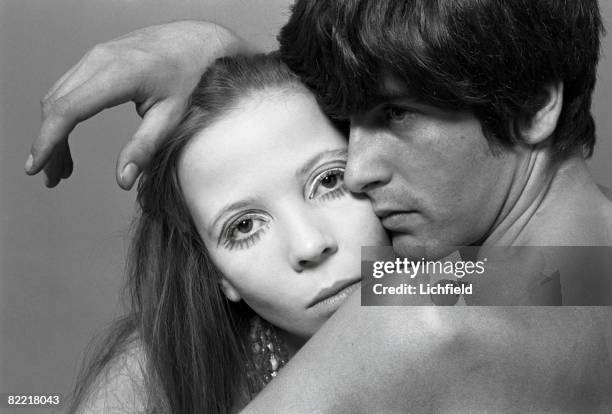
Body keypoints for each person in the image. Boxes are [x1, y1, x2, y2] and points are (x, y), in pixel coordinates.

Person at [29, 0, 612, 412]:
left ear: (536, 105)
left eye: (394, 113)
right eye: (347, 122)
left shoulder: (408, 320)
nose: (360, 170)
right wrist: (229, 65)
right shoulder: (558, 269)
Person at [68, 53, 389, 413]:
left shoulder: (455, 285)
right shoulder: (150, 380)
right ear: (220, 275)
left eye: (329, 180)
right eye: (244, 226)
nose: (310, 245)